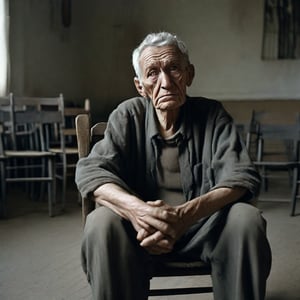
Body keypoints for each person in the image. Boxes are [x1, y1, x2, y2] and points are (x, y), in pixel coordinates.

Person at [75, 31, 272, 300]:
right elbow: (91, 171)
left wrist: (184, 217)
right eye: (153, 72)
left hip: (205, 229)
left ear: (189, 74)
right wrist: (139, 212)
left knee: (246, 219)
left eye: (174, 68)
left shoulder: (212, 115)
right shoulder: (127, 115)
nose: (165, 82)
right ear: (140, 85)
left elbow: (242, 176)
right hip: (139, 233)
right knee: (101, 223)